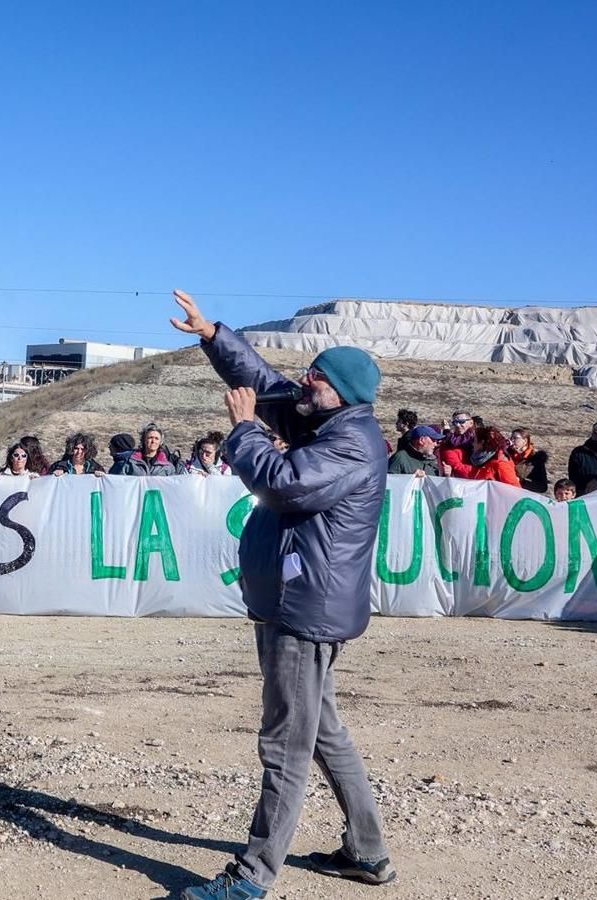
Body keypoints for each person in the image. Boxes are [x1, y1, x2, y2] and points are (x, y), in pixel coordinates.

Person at [172, 289, 394, 899]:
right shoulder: (326, 419)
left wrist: (242, 432)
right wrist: (215, 336)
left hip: (303, 612)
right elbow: (266, 383)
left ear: (342, 391)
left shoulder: (349, 443)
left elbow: (284, 484)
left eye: (316, 376)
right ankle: (368, 853)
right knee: (320, 732)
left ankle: (250, 879)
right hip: (297, 603)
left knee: (285, 746)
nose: (304, 380)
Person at [506, 427, 549, 494]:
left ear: (525, 441)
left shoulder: (535, 459)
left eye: (516, 438)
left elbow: (542, 487)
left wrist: (521, 482)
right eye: (511, 438)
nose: (512, 440)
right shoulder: (506, 455)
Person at [438, 411, 476, 478]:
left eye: (462, 421)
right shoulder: (448, 443)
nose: (457, 425)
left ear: (471, 423)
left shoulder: (477, 438)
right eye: (455, 422)